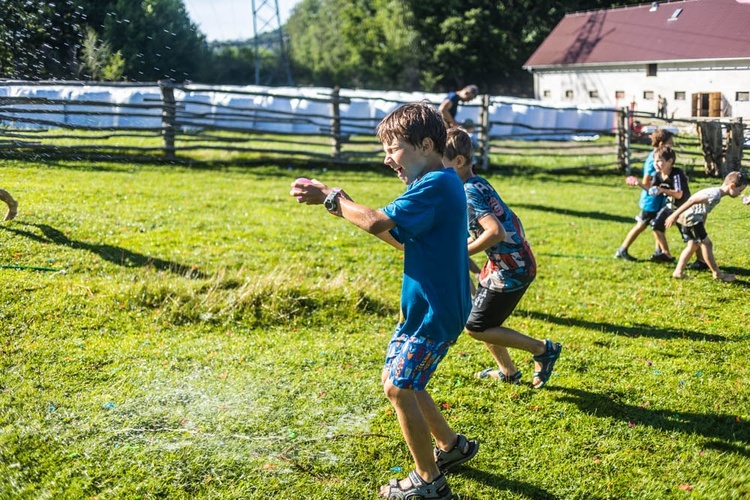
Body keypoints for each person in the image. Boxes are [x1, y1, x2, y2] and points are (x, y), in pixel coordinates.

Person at [290, 103, 477, 500]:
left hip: (434, 311)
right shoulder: (437, 184)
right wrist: (343, 205)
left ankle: (429, 482)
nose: (387, 158)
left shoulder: (436, 185)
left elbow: (377, 222)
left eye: (393, 148)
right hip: (429, 308)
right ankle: (451, 447)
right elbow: (395, 235)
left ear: (426, 144)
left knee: (397, 387)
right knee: (407, 379)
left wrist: (332, 196)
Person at [443, 127, 562, 388]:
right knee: (482, 318)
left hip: (512, 269)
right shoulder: (477, 182)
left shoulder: (468, 192)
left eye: (440, 161)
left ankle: (542, 349)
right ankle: (508, 372)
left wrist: (458, 252)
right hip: (507, 264)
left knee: (476, 326)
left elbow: (494, 232)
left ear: (459, 162)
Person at [665, 171, 749, 281]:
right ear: (732, 186)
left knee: (693, 245)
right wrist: (674, 215)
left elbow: (703, 210)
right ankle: (717, 273)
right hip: (691, 219)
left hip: (689, 218)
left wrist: (702, 224)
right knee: (707, 244)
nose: (739, 194)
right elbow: (692, 201)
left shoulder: (715, 192)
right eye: (740, 190)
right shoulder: (715, 195)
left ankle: (678, 272)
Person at [614, 129, 674, 262]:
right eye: (670, 143)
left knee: (658, 226)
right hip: (651, 201)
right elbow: (647, 181)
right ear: (661, 144)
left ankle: (659, 252)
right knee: (642, 225)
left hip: (659, 200)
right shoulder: (653, 160)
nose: (672, 146)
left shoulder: (660, 157)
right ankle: (622, 250)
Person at [645, 145, 690, 262]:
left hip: (683, 208)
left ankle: (701, 261)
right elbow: (652, 190)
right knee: (656, 225)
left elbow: (679, 194)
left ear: (670, 161)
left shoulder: (676, 174)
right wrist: (645, 187)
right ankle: (666, 254)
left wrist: (663, 190)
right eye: (654, 161)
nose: (656, 164)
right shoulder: (657, 175)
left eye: (659, 161)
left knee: (690, 237)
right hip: (670, 206)